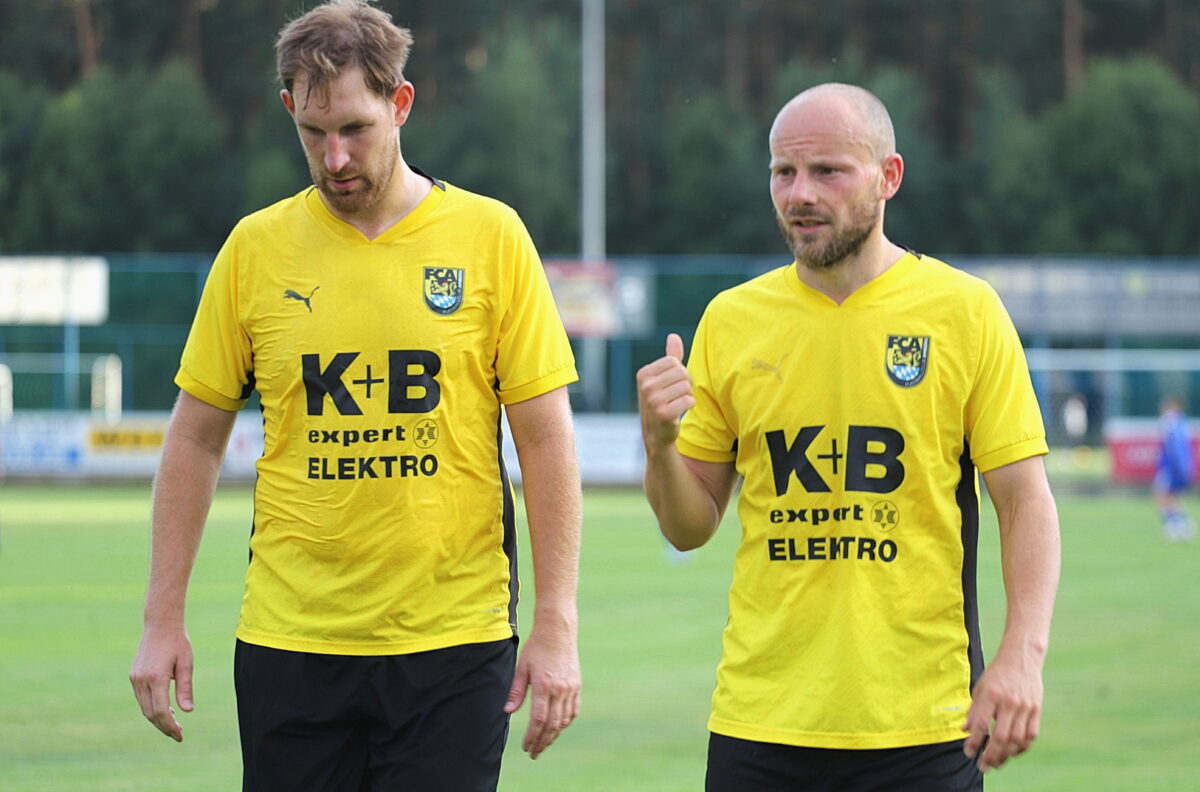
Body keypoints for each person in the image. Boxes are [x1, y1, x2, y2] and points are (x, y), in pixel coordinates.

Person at [129, 2, 582, 789]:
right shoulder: (254, 250)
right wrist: (161, 618)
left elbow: (545, 439)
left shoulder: (491, 237)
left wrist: (557, 621)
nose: (334, 157)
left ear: (400, 103)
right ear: (288, 110)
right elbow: (196, 437)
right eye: (312, 132)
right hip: (291, 642)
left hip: (454, 642)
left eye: (354, 129)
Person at [637, 83, 1060, 791]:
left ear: (889, 176)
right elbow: (688, 526)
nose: (799, 193)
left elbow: (1024, 500)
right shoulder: (731, 320)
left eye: (827, 171)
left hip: (924, 728)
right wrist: (659, 446)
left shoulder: (965, 313)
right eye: (783, 172)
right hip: (760, 725)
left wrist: (1024, 654)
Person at [1154, 395, 1195, 542]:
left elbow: (1174, 448)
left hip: (1171, 467)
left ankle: (1174, 525)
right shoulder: (1182, 422)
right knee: (1171, 496)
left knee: (1162, 495)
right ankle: (1181, 524)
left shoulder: (1171, 421)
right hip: (1178, 467)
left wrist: (1177, 467)